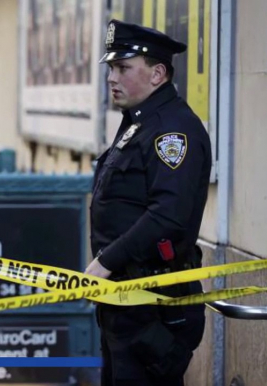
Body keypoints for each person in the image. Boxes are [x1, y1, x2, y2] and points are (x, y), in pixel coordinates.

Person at [84, 20, 212, 386]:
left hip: (154, 302)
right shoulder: (139, 123)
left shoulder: (173, 130)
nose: (112, 77)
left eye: (123, 68)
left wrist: (106, 261)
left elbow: (168, 215)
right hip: (127, 301)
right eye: (111, 68)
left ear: (158, 73)